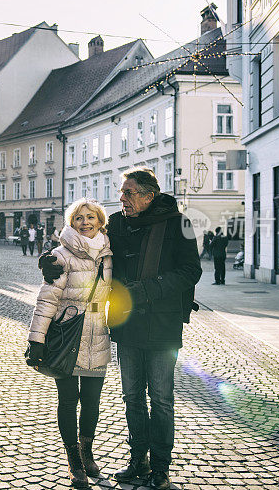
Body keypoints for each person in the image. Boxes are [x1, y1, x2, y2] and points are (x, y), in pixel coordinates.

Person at [39, 167, 201, 489]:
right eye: (121, 192)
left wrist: (148, 289)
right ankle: (137, 459)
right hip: (127, 326)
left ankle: (160, 469)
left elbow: (190, 271)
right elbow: (89, 248)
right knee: (132, 397)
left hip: (163, 327)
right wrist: (50, 260)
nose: (121, 198)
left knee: (162, 398)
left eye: (127, 192)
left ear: (147, 196)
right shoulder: (120, 224)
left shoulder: (179, 223)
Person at [26, 199, 113, 489]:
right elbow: (46, 300)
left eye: (91, 217)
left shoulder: (108, 254)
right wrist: (36, 339)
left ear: (100, 221)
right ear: (71, 222)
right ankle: (74, 461)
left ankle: (87, 452)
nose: (85, 222)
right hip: (66, 335)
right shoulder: (60, 257)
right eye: (78, 218)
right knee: (68, 400)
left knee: (92, 402)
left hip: (97, 335)